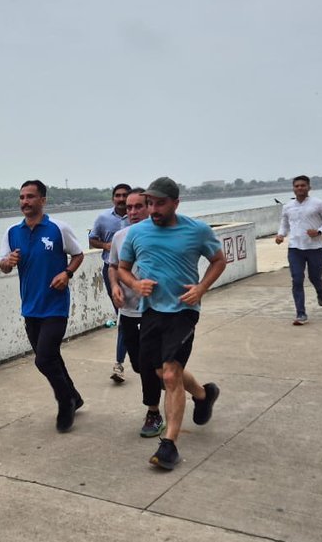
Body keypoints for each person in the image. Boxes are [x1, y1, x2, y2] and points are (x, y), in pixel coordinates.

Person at [118, 177, 226, 471]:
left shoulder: (197, 230)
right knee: (158, 371)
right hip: (151, 312)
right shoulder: (136, 233)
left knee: (169, 375)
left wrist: (202, 288)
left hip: (183, 311)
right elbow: (122, 269)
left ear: (176, 203)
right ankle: (204, 394)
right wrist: (135, 284)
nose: (153, 208)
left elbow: (219, 260)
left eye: (159, 203)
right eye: (150, 203)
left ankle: (169, 445)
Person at [0, 180, 85, 432]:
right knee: (52, 357)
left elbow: (78, 254)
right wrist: (7, 261)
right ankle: (75, 396)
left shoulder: (58, 228)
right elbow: (3, 266)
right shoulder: (12, 232)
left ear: (43, 200)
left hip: (55, 306)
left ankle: (65, 402)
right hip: (30, 308)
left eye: (31, 197)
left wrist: (66, 274)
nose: (25, 202)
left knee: (44, 359)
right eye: (22, 197)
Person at [108, 188, 165, 437]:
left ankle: (153, 413)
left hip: (157, 310)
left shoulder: (162, 234)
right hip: (129, 312)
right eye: (128, 208)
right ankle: (198, 392)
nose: (132, 212)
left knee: (151, 363)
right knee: (142, 366)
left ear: (150, 206)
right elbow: (113, 267)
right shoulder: (120, 236)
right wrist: (114, 287)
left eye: (138, 206)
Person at [275, 175, 322, 325]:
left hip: (314, 248)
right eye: (297, 186)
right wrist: (281, 234)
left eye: (303, 185)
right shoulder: (288, 206)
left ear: (309, 187)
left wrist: (319, 231)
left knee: (315, 277)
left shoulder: (319, 204)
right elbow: (284, 224)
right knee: (297, 279)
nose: (300, 188)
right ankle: (301, 313)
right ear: (293, 188)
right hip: (295, 248)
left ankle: (320, 291)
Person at [89, 183, 131, 383]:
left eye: (125, 196)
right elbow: (92, 240)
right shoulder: (103, 218)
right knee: (123, 317)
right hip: (112, 270)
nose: (121, 199)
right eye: (118, 195)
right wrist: (107, 245)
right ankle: (119, 364)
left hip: (138, 272)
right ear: (113, 198)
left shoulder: (140, 218)